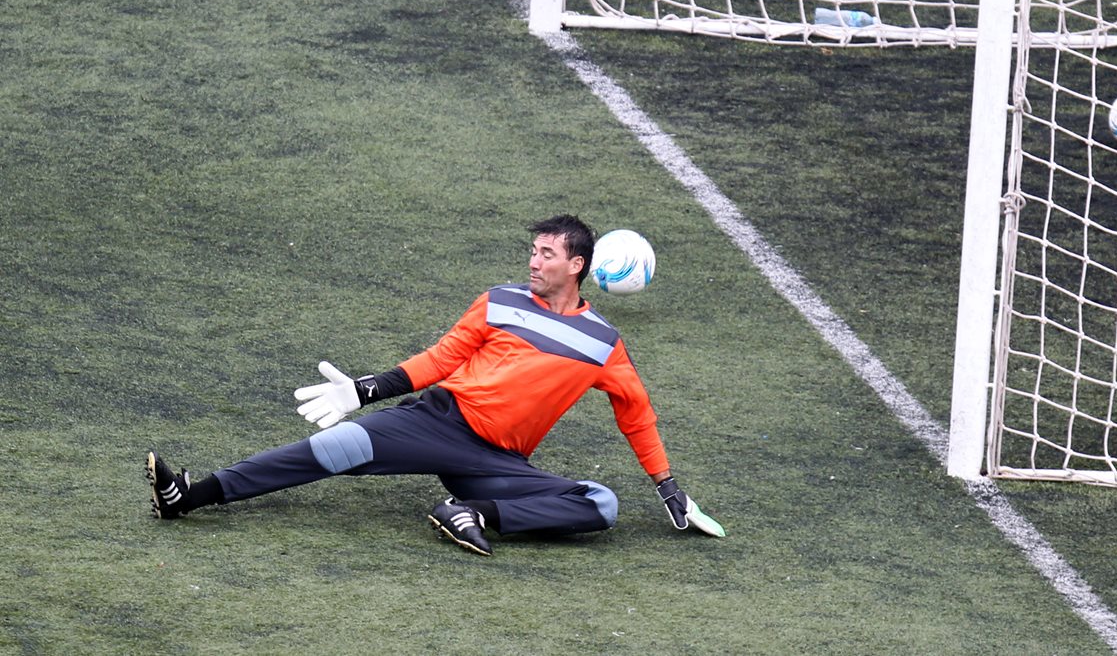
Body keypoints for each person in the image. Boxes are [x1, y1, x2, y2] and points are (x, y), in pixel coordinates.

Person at [146, 214, 723, 555]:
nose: (533, 262)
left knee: (600, 504)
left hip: (497, 461)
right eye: (532, 251)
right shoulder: (499, 302)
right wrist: (364, 391)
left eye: (546, 254)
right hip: (435, 422)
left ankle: (469, 513)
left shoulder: (602, 342)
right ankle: (189, 497)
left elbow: (636, 414)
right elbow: (441, 359)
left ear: (576, 266)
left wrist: (667, 487)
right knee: (333, 448)